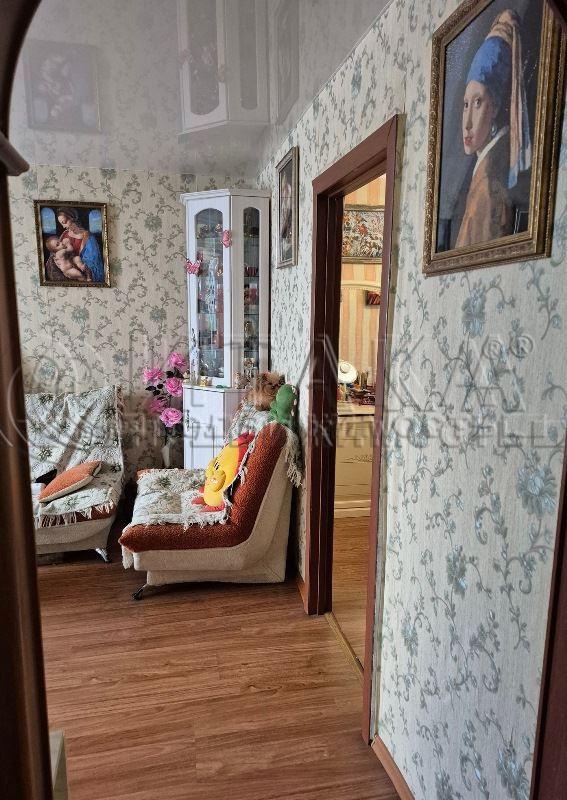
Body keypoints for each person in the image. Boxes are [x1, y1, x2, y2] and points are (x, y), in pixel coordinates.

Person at [455, 9, 531, 249]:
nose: (467, 123)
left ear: (496, 106)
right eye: (465, 105)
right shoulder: (483, 172)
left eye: (478, 102)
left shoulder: (488, 184)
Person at [56, 207, 105, 282]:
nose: (63, 226)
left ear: (72, 218)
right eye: (61, 224)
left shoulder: (88, 237)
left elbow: (94, 261)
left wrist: (79, 264)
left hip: (82, 271)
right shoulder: (64, 234)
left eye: (64, 222)